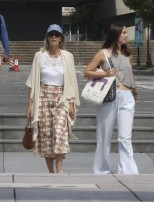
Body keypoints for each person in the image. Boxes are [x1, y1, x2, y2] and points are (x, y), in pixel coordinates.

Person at [85, 23, 139, 175]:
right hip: (109, 97)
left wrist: (134, 92)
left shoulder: (128, 54)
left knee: (125, 136)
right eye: (124, 33)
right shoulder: (103, 54)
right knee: (104, 134)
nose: (127, 36)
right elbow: (87, 72)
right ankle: (101, 169)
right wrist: (105, 74)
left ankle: (128, 171)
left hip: (127, 96)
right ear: (115, 35)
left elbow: (131, 74)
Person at [26, 24, 79, 174]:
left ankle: (59, 170)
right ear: (47, 38)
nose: (53, 37)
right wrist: (30, 104)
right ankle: (50, 171)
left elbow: (72, 81)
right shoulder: (39, 56)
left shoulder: (68, 56)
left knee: (60, 132)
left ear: (61, 38)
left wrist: (72, 102)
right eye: (51, 35)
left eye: (56, 35)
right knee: (46, 134)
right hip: (43, 97)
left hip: (62, 97)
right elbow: (32, 81)